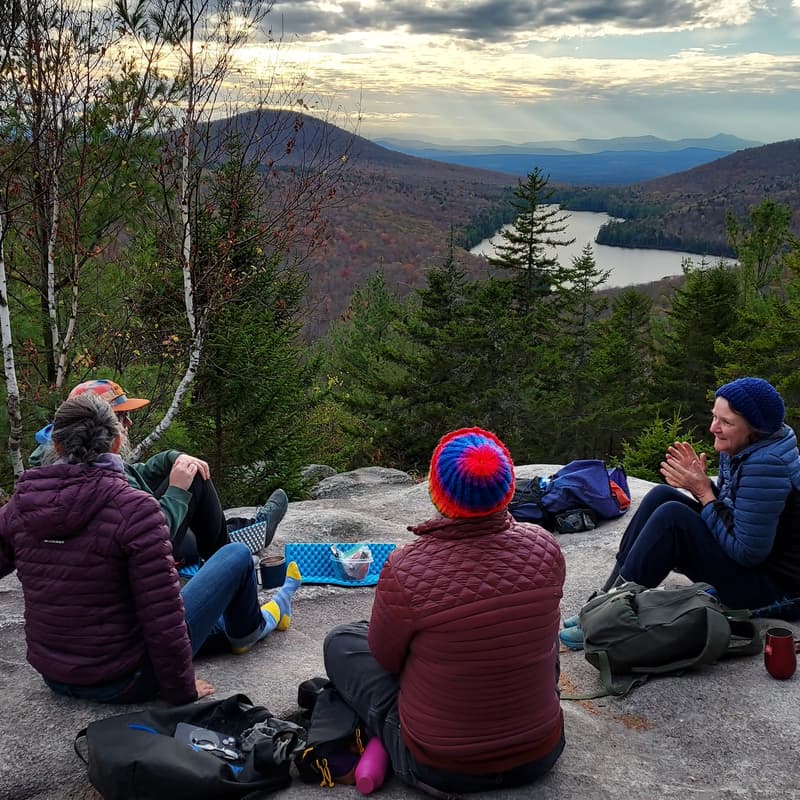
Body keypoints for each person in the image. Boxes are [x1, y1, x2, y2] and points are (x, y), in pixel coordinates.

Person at [0, 393, 302, 704]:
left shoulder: (21, 504)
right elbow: (162, 615)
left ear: (57, 445)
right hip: (127, 680)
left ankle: (254, 616)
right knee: (236, 555)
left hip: (56, 676)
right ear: (117, 444)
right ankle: (253, 626)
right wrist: (180, 689)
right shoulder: (134, 508)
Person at [324, 427, 566, 795]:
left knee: (342, 641)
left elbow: (387, 662)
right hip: (542, 751)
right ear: (507, 488)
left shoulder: (406, 568)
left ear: (437, 491)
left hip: (442, 766)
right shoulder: (545, 548)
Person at [560, 376, 800, 649]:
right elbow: (736, 511)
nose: (713, 428)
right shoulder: (743, 446)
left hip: (776, 593)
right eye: (714, 417)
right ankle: (603, 603)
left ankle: (609, 620)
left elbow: (747, 552)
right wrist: (704, 485)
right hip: (754, 567)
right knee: (661, 496)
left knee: (673, 518)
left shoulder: (767, 464)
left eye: (726, 422)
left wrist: (703, 491)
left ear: (755, 429)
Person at [29, 378, 288, 566]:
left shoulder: (62, 466)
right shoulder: (98, 477)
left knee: (193, 500)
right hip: (147, 549)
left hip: (131, 543)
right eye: (122, 416)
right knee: (195, 487)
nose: (129, 423)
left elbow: (133, 475)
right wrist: (176, 491)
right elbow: (148, 532)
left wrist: (172, 457)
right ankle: (232, 558)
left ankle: (242, 533)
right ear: (100, 424)